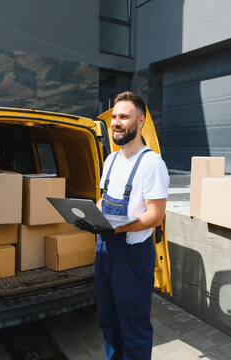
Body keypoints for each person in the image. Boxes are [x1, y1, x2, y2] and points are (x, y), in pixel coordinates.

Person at [75, 91, 169, 359]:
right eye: (114, 116)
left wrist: (120, 228)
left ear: (140, 122)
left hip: (132, 258)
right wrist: (88, 215)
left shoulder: (152, 164)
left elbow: (155, 215)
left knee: (134, 328)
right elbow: (103, 198)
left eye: (124, 117)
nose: (116, 122)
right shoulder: (111, 160)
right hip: (104, 252)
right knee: (108, 322)